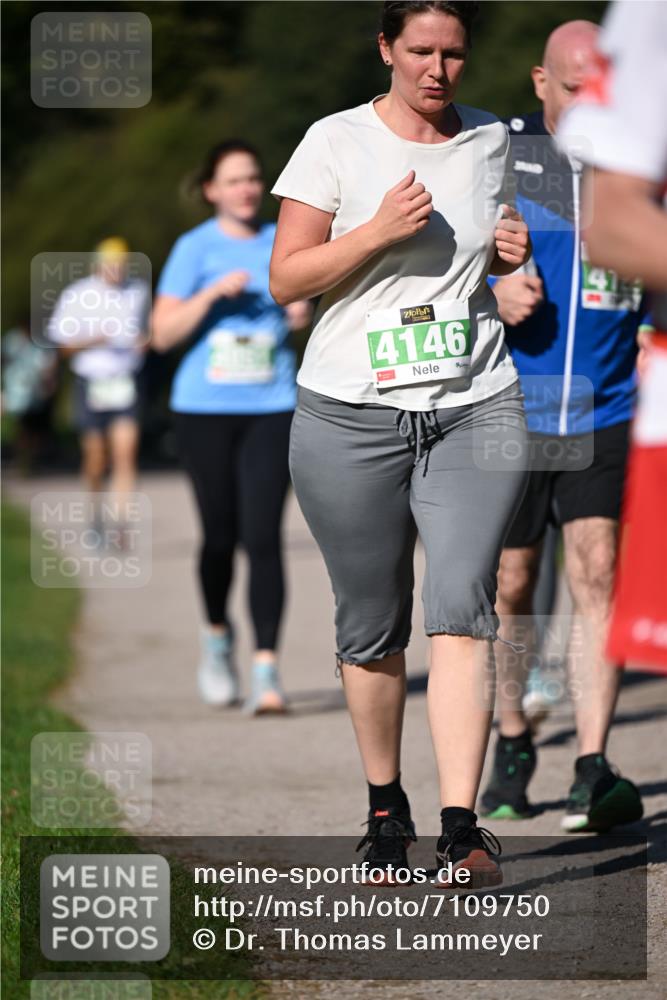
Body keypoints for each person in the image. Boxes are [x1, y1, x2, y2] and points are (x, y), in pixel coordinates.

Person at [270, 0, 531, 887]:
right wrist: (375, 232)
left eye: (453, 54)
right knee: (371, 620)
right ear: (385, 48)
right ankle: (388, 812)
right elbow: (286, 278)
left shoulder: (497, 139)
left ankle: (463, 827)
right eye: (418, 50)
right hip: (350, 411)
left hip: (474, 402)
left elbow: (480, 259)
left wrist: (504, 254)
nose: (436, 69)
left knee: (462, 599)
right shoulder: (333, 140)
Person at [480, 21, 645, 832]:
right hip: (510, 408)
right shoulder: (498, 158)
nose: (587, 102)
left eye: (600, 86)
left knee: (596, 572)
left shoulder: (637, 174)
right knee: (511, 584)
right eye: (571, 85)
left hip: (607, 406)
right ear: (539, 82)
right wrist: (490, 288)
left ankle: (590, 761)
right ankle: (511, 737)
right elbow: (422, 271)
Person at [152, 140, 311, 715]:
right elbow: (162, 333)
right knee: (219, 536)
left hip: (272, 406)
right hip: (203, 410)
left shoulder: (280, 240)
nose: (246, 189)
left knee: (263, 537)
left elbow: (304, 299)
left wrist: (300, 311)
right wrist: (210, 295)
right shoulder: (193, 249)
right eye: (234, 180)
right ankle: (218, 638)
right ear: (211, 190)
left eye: (253, 179)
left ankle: (267, 669)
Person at [558, 0, 667, 673]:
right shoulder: (651, 16)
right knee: (519, 575)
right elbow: (614, 220)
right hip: (545, 403)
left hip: (608, 405)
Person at [48, 238, 149, 533]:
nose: (116, 270)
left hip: (125, 380)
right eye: (111, 265)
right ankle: (95, 516)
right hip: (90, 381)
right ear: (97, 265)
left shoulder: (138, 292)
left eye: (121, 264)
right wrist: (96, 339)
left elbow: (145, 332)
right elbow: (62, 348)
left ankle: (121, 524)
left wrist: (144, 342)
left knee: (125, 452)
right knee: (96, 457)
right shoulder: (77, 295)